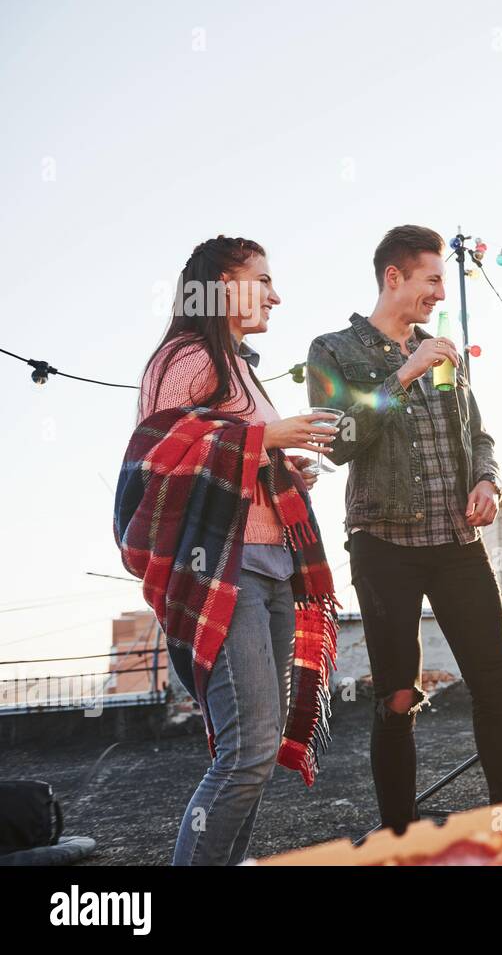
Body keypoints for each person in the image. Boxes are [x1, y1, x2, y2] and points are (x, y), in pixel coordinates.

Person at [122, 235, 341, 865]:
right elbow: (157, 458)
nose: (277, 294)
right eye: (264, 279)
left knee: (255, 752)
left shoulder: (239, 364)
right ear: (222, 286)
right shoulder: (187, 357)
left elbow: (229, 450)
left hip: (270, 567)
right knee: (245, 755)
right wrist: (264, 436)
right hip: (224, 571)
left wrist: (280, 461)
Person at [307, 224, 502, 832]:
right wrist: (402, 377)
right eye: (433, 279)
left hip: (459, 545)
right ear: (394, 277)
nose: (439, 293)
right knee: (397, 696)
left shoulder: (442, 352)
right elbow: (338, 442)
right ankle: (398, 834)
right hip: (385, 545)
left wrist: (488, 480)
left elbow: (478, 436)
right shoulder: (333, 350)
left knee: (494, 684)